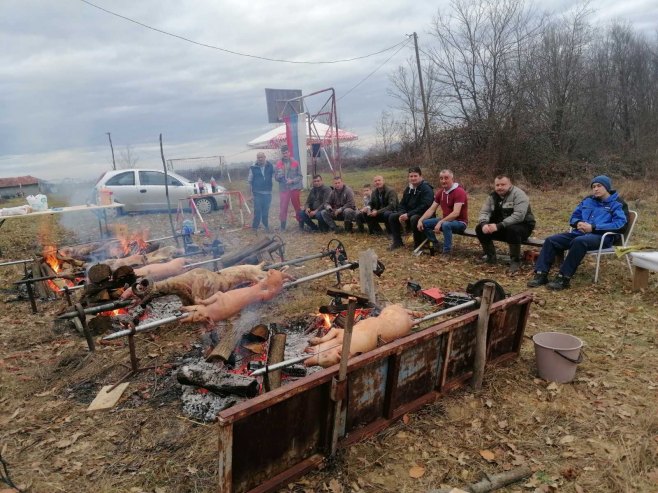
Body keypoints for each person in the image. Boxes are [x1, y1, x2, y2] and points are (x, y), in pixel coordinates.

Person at [527, 175, 628, 290]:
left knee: (579, 241)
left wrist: (593, 228)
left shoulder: (618, 204)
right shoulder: (588, 200)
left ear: (607, 187)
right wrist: (578, 223)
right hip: (580, 233)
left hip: (602, 237)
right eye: (593, 186)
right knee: (551, 240)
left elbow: (620, 225)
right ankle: (541, 274)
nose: (595, 189)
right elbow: (574, 217)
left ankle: (563, 278)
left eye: (599, 186)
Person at [475, 175, 535, 273]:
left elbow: (519, 216)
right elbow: (484, 212)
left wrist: (498, 226)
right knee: (479, 228)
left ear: (510, 184)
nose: (500, 187)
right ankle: (490, 257)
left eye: (503, 184)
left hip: (523, 226)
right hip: (503, 226)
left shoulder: (519, 194)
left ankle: (515, 261)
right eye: (497, 185)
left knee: (513, 230)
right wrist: (484, 224)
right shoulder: (492, 196)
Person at [417, 169, 468, 255]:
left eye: (446, 178)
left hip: (460, 222)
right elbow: (431, 209)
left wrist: (440, 222)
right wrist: (420, 220)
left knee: (446, 224)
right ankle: (436, 245)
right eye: (441, 178)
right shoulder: (441, 192)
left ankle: (447, 252)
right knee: (425, 223)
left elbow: (456, 213)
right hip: (445, 220)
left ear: (452, 178)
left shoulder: (459, 191)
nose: (443, 181)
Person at [388, 167, 434, 250]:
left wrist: (408, 214)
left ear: (421, 176)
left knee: (414, 218)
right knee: (392, 216)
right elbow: (402, 204)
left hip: (424, 215)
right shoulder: (408, 188)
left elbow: (425, 206)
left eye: (415, 176)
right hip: (410, 213)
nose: (413, 178)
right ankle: (397, 242)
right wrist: (402, 213)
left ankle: (418, 244)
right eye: (411, 176)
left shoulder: (426, 188)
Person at [274, 145, 303, 231]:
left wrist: (292, 181)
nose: (285, 154)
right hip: (284, 189)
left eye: (286, 152)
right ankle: (283, 227)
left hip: (294, 188)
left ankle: (301, 225)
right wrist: (278, 178)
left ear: (289, 153)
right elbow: (275, 177)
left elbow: (300, 176)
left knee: (297, 206)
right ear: (281, 154)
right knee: (283, 207)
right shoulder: (278, 163)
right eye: (283, 153)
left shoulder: (295, 162)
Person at [247, 152, 274, 231]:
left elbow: (276, 175)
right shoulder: (253, 168)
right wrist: (250, 195)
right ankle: (255, 227)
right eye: (258, 157)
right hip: (257, 194)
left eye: (261, 157)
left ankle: (266, 226)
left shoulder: (270, 166)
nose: (260, 159)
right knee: (257, 211)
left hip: (268, 193)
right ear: (257, 158)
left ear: (265, 157)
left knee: (265, 212)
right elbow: (249, 182)